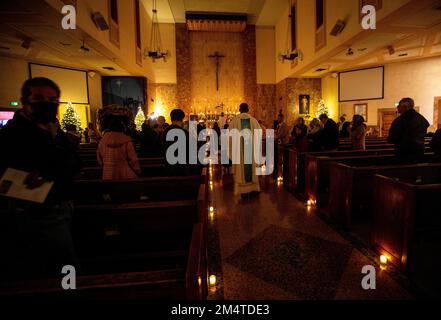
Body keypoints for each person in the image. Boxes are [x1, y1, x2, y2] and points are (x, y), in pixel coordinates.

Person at [0, 77, 79, 279]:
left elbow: (70, 165)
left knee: (63, 260)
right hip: (35, 210)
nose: (47, 103)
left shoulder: (53, 130)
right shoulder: (11, 134)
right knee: (60, 264)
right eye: (39, 98)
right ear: (26, 100)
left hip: (61, 203)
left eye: (53, 99)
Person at [228, 103, 262, 198]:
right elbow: (259, 135)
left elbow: (229, 138)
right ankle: (252, 191)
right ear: (248, 109)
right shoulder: (254, 121)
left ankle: (243, 193)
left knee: (241, 172)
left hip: (240, 154)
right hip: (251, 152)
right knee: (252, 172)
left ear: (239, 110)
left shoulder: (234, 122)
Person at [388, 98, 429, 162]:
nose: (397, 107)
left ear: (405, 107)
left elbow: (392, 138)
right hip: (419, 152)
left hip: (403, 153)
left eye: (399, 106)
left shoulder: (400, 120)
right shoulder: (422, 119)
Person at [162, 109, 191, 175]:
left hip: (168, 166)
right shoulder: (184, 132)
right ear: (182, 119)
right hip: (181, 167)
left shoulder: (165, 132)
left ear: (171, 118)